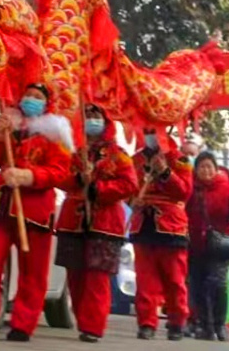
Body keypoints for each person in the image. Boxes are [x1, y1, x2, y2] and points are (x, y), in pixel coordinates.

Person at [0, 82, 75, 342]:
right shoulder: (8, 122)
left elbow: (61, 171)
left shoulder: (56, 132)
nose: (31, 99)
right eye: (27, 94)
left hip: (35, 210)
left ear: (47, 103)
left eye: (37, 96)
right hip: (1, 205)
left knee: (33, 271)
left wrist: (30, 175)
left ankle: (23, 323)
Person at [57, 106, 142, 343]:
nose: (92, 121)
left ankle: (93, 325)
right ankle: (83, 318)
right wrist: (76, 179)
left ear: (105, 122)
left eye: (97, 117)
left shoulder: (118, 154)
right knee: (75, 274)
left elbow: (129, 184)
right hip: (73, 219)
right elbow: (58, 175)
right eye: (88, 117)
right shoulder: (72, 150)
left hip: (104, 222)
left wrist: (96, 188)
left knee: (97, 276)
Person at [133, 127, 197, 341]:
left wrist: (166, 173)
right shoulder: (136, 160)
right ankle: (146, 322)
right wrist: (132, 200)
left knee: (175, 279)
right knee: (145, 279)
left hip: (171, 226)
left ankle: (177, 321)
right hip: (143, 223)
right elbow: (129, 188)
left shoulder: (179, 160)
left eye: (154, 131)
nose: (150, 135)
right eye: (147, 130)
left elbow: (184, 191)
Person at [187, 151, 229, 341]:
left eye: (209, 167)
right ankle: (205, 325)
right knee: (198, 285)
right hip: (195, 243)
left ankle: (220, 325)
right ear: (196, 170)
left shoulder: (226, 187)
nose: (205, 170)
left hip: (219, 243)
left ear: (215, 169)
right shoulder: (190, 187)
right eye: (201, 167)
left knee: (218, 284)